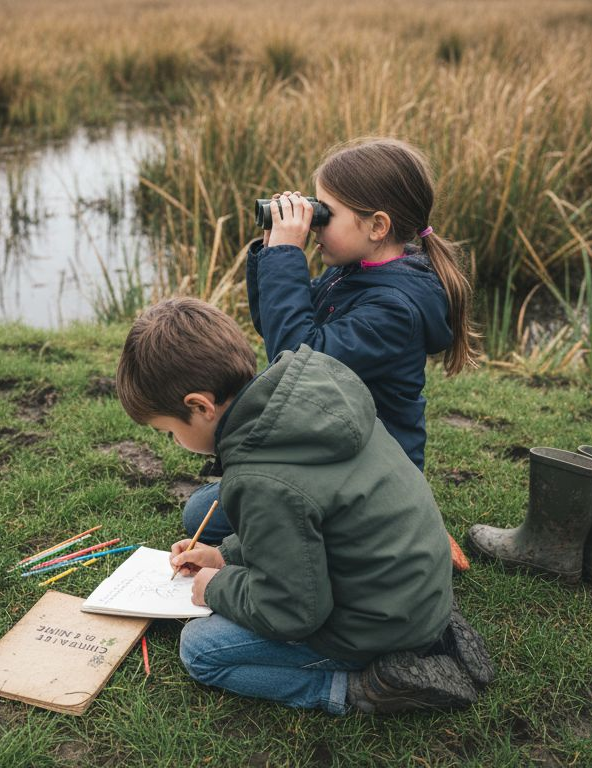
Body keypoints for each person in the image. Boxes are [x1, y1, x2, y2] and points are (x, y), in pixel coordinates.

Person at [115, 297, 492, 714]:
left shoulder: (261, 479)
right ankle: (430, 633)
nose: (174, 443)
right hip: (415, 588)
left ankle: (365, 687)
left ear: (199, 407)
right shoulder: (310, 393)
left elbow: (294, 612)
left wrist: (216, 587)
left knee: (201, 649)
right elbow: (304, 528)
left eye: (169, 431)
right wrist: (222, 555)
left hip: (379, 624)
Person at [181, 137, 479, 570]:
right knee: (200, 514)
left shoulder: (395, 308)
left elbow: (299, 359)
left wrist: (288, 255)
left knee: (206, 517)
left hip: (365, 471)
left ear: (377, 226)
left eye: (325, 212)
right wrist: (271, 251)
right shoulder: (354, 273)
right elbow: (278, 329)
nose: (313, 222)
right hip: (332, 448)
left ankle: (411, 524)